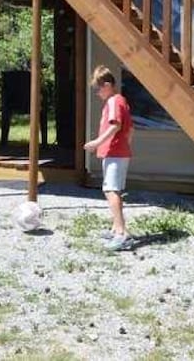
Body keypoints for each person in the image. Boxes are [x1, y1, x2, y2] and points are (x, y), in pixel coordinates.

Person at [82, 65, 133, 251]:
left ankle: (121, 234)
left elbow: (115, 126)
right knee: (114, 190)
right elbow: (130, 129)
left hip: (114, 153)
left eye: (98, 89)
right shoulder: (121, 101)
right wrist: (125, 146)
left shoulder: (113, 102)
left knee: (111, 191)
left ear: (107, 85)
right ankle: (115, 228)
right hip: (119, 153)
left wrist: (97, 142)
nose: (97, 93)